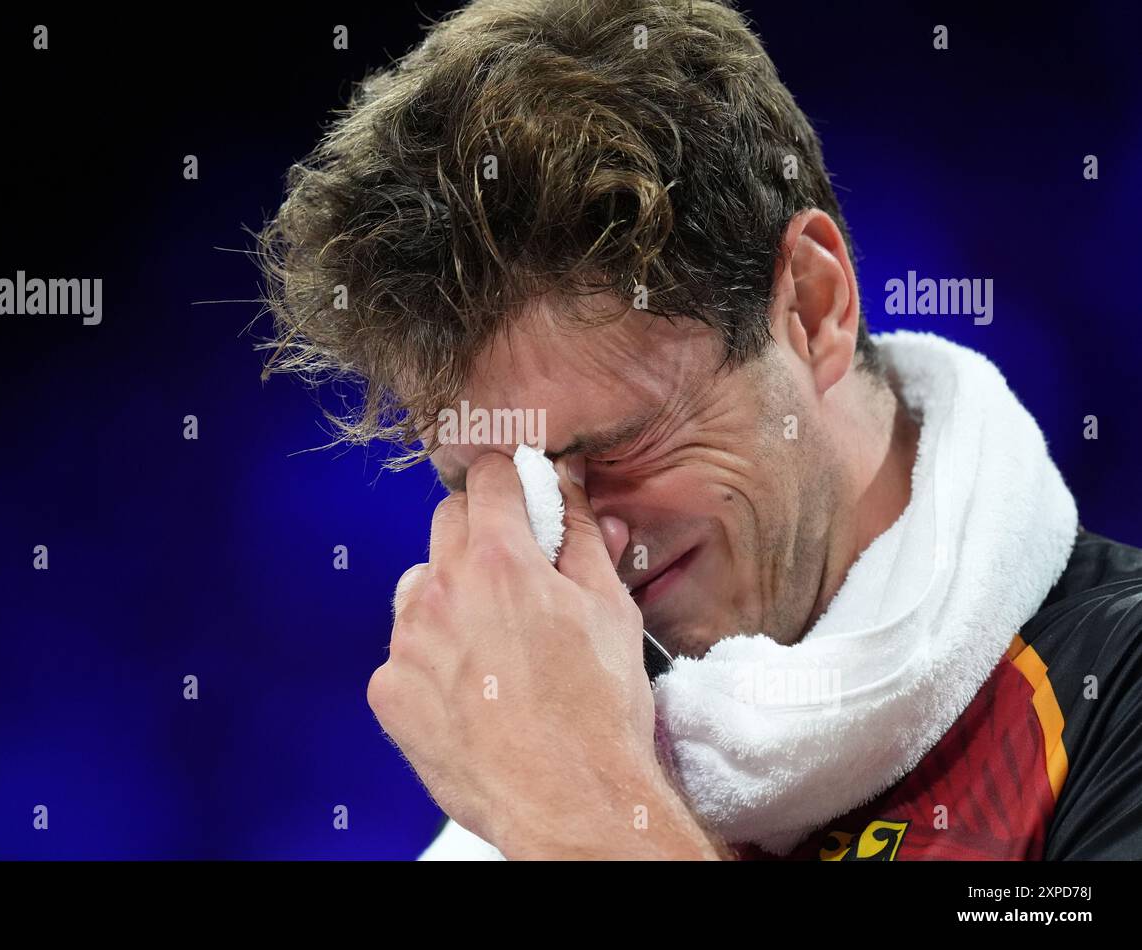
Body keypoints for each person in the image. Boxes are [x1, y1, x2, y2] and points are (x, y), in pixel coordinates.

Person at [257, 0, 1142, 859]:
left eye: (618, 447)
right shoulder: (507, 793)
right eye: (501, 491)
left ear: (813, 305)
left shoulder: (1114, 695)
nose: (587, 548)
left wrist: (582, 809)